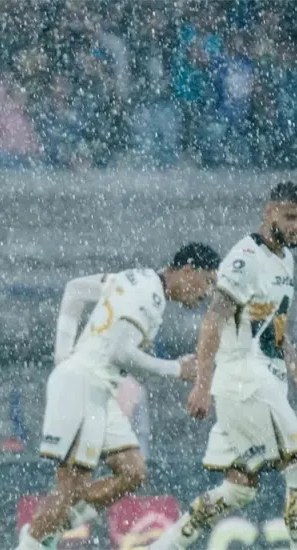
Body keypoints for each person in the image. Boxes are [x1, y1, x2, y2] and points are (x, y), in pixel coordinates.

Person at [18, 243, 221, 550]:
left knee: (132, 472)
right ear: (187, 270)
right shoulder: (151, 296)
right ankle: (34, 540)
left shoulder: (132, 277)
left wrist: (63, 354)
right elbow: (121, 353)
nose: (206, 293)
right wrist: (176, 369)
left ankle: (47, 531)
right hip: (83, 386)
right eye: (206, 281)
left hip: (97, 389)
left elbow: (74, 290)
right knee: (71, 486)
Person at [150, 182, 297, 550]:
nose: (295, 226)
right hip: (246, 380)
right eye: (289, 216)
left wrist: (290, 358)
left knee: (238, 489)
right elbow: (213, 319)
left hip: (261, 382)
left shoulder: (287, 259)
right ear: (268, 213)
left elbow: (274, 322)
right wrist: (202, 383)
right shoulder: (244, 257)